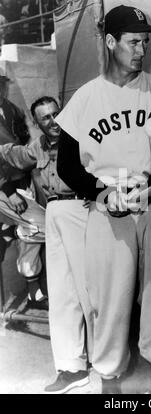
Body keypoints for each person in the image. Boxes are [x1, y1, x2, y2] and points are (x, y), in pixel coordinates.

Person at [44, 5, 151, 394]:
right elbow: (68, 167)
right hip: (108, 206)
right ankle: (109, 378)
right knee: (109, 298)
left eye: (145, 42)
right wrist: (103, 191)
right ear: (110, 42)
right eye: (132, 41)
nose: (141, 49)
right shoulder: (86, 98)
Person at [0, 96, 86, 310]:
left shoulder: (82, 140)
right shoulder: (37, 146)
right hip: (54, 213)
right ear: (37, 123)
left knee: (84, 274)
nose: (54, 121)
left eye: (56, 114)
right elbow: (14, 154)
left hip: (82, 212)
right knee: (62, 279)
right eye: (46, 118)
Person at [0, 73, 48, 309]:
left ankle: (34, 289)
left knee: (33, 230)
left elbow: (24, 142)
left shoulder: (11, 109)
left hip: (21, 179)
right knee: (36, 228)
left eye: (2, 85)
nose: (1, 90)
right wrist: (8, 191)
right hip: (4, 186)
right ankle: (32, 290)